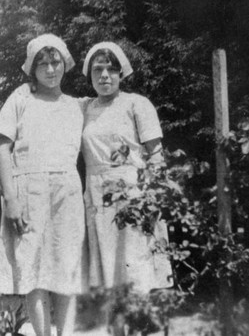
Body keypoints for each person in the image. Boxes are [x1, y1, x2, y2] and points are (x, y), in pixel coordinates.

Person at [0, 34, 86, 336]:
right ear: (33, 68)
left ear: (65, 63)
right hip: (28, 193)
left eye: (54, 61)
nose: (49, 69)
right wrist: (10, 199)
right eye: (41, 63)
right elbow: (1, 147)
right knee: (34, 270)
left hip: (66, 192)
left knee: (66, 265)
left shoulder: (77, 105)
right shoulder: (21, 97)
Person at [80, 42, 173, 334]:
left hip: (133, 195)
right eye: (98, 69)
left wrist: (153, 198)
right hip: (97, 196)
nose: (105, 75)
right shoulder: (84, 108)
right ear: (90, 74)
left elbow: (156, 154)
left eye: (111, 69)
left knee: (136, 269)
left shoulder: (137, 104)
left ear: (122, 73)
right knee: (109, 275)